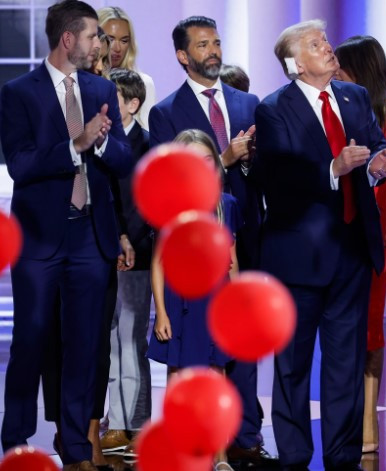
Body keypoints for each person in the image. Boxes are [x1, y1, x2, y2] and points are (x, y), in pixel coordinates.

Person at [252, 19, 386, 470]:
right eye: (317, 45)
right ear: (296, 63)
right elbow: (278, 177)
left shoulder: (353, 97)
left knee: (345, 366)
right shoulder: (274, 109)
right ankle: (295, 456)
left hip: (352, 253)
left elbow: (377, 142)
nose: (330, 49)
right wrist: (333, 169)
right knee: (293, 365)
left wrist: (377, 163)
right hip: (298, 258)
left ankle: (342, 456)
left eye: (326, 41)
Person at [0, 1, 132, 470]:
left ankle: (76, 448)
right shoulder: (19, 92)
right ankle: (16, 441)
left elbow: (123, 160)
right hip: (39, 239)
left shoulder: (100, 87)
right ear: (69, 39)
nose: (103, 45)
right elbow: (20, 165)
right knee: (31, 341)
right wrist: (74, 144)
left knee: (85, 346)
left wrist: (103, 143)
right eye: (95, 36)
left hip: (90, 238)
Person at [148, 17, 273, 467]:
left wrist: (251, 162)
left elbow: (265, 170)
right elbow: (168, 182)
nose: (213, 51)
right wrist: (224, 158)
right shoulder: (165, 113)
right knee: (195, 350)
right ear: (184, 56)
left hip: (243, 232)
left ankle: (246, 435)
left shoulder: (248, 102)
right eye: (203, 45)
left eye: (217, 42)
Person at [147, 128, 239, 471]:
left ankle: (219, 453)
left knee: (217, 372)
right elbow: (158, 264)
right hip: (179, 298)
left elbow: (234, 259)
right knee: (179, 372)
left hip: (215, 298)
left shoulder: (225, 205)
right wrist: (161, 312)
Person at [334, 34, 386, 456]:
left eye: (341, 66)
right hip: (341, 233)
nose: (335, 72)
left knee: (372, 329)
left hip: (378, 236)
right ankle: (350, 419)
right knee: (344, 329)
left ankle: (367, 421)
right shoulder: (338, 112)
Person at [97, 68, 152, 464]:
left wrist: (129, 239)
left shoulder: (148, 146)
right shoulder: (102, 143)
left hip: (138, 254)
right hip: (105, 250)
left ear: (132, 104)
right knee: (110, 344)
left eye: (113, 99)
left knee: (132, 343)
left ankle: (138, 423)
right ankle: (115, 421)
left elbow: (147, 206)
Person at [98, 6, 155, 130]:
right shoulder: (79, 82)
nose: (117, 48)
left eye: (124, 41)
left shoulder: (144, 83)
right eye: (110, 39)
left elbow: (146, 132)